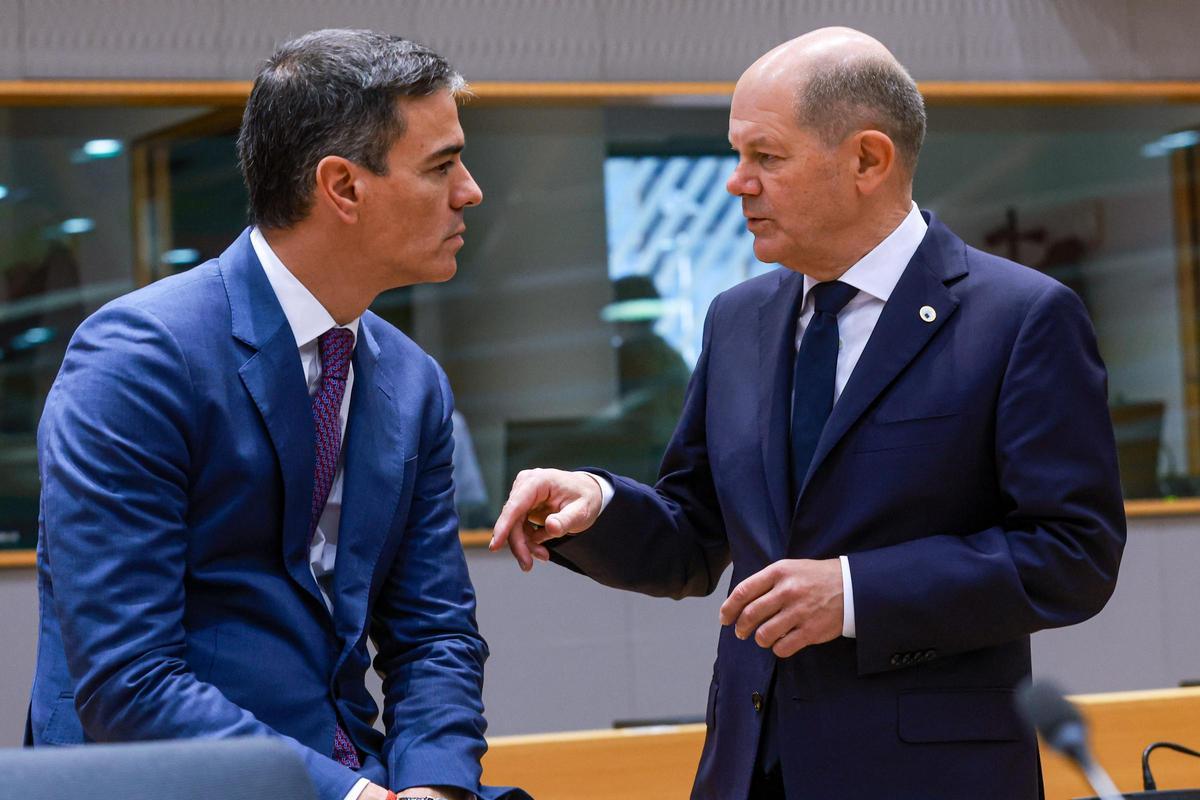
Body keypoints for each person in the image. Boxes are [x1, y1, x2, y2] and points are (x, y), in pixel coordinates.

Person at [491, 27, 1125, 800]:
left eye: (766, 156)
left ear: (867, 159)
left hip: (930, 775)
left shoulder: (1020, 318)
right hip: (748, 768)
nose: (737, 183)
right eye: (736, 155)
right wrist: (599, 505)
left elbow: (1073, 554)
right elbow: (695, 536)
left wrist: (856, 593)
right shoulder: (738, 319)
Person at [29, 29, 525, 800]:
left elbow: (435, 636)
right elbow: (128, 678)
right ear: (343, 187)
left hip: (365, 771)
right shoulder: (140, 358)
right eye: (440, 165)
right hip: (160, 780)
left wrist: (433, 787)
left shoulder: (412, 380)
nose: (470, 190)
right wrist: (350, 797)